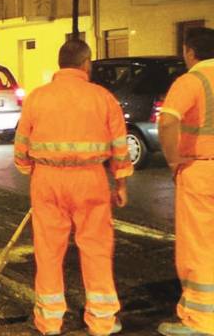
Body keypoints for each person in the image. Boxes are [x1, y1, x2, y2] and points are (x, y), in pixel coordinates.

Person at [14, 39, 133, 336]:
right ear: (86, 63)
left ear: (60, 64)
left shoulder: (37, 98)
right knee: (96, 248)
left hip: (48, 179)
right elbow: (119, 146)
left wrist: (31, 171)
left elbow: (21, 145)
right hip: (90, 180)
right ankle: (102, 320)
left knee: (48, 251)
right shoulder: (103, 98)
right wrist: (120, 183)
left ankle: (50, 321)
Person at [157, 27, 214, 336]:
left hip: (201, 171)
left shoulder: (192, 80)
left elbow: (167, 121)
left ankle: (200, 320)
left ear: (190, 52)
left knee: (199, 246)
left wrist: (173, 160)